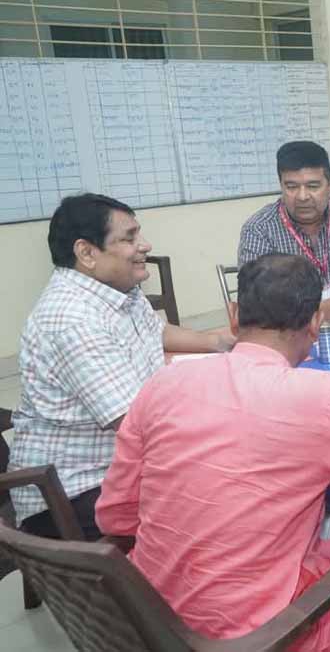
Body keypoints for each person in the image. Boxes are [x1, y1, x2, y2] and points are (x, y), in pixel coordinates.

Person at [96, 253, 330, 652]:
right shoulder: (320, 400)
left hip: (150, 617)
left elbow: (115, 516)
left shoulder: (163, 383)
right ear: (316, 322)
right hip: (260, 636)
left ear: (233, 315)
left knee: (321, 521)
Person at [9, 193, 233, 541]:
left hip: (120, 465)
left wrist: (218, 342)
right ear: (87, 253)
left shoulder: (115, 288)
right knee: (228, 493)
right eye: (129, 238)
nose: (144, 245)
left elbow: (154, 330)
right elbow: (137, 424)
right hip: (74, 493)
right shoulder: (72, 320)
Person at [238, 140, 330, 323]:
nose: (302, 197)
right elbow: (256, 305)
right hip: (290, 333)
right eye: (291, 187)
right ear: (281, 186)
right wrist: (318, 312)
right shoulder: (259, 229)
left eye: (313, 186)